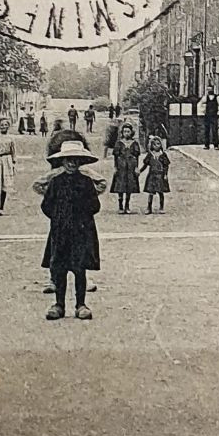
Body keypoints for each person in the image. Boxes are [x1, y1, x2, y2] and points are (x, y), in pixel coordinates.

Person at [39, 135, 103, 320]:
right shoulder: (56, 182)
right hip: (60, 232)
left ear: (81, 162)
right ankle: (59, 304)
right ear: (62, 161)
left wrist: (81, 217)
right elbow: (46, 205)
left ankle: (81, 304)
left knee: (79, 268)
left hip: (81, 232)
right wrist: (59, 218)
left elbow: (95, 206)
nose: (72, 164)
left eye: (76, 160)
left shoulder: (86, 182)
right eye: (68, 160)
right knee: (59, 267)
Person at [110, 121, 142, 214]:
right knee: (120, 186)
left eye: (128, 131)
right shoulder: (119, 143)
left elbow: (137, 156)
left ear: (131, 132)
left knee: (129, 186)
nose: (126, 133)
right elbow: (116, 156)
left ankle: (127, 205)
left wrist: (137, 167)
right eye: (125, 132)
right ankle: (120, 205)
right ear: (122, 133)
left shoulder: (134, 143)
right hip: (121, 166)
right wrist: (115, 167)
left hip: (131, 166)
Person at [138, 134, 172, 214]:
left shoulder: (163, 155)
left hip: (160, 175)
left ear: (161, 145)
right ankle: (149, 207)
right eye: (154, 144)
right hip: (152, 175)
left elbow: (166, 166)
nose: (156, 146)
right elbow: (145, 165)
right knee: (151, 193)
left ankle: (161, 207)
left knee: (161, 192)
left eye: (158, 144)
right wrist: (140, 171)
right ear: (151, 145)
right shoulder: (150, 155)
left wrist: (165, 175)